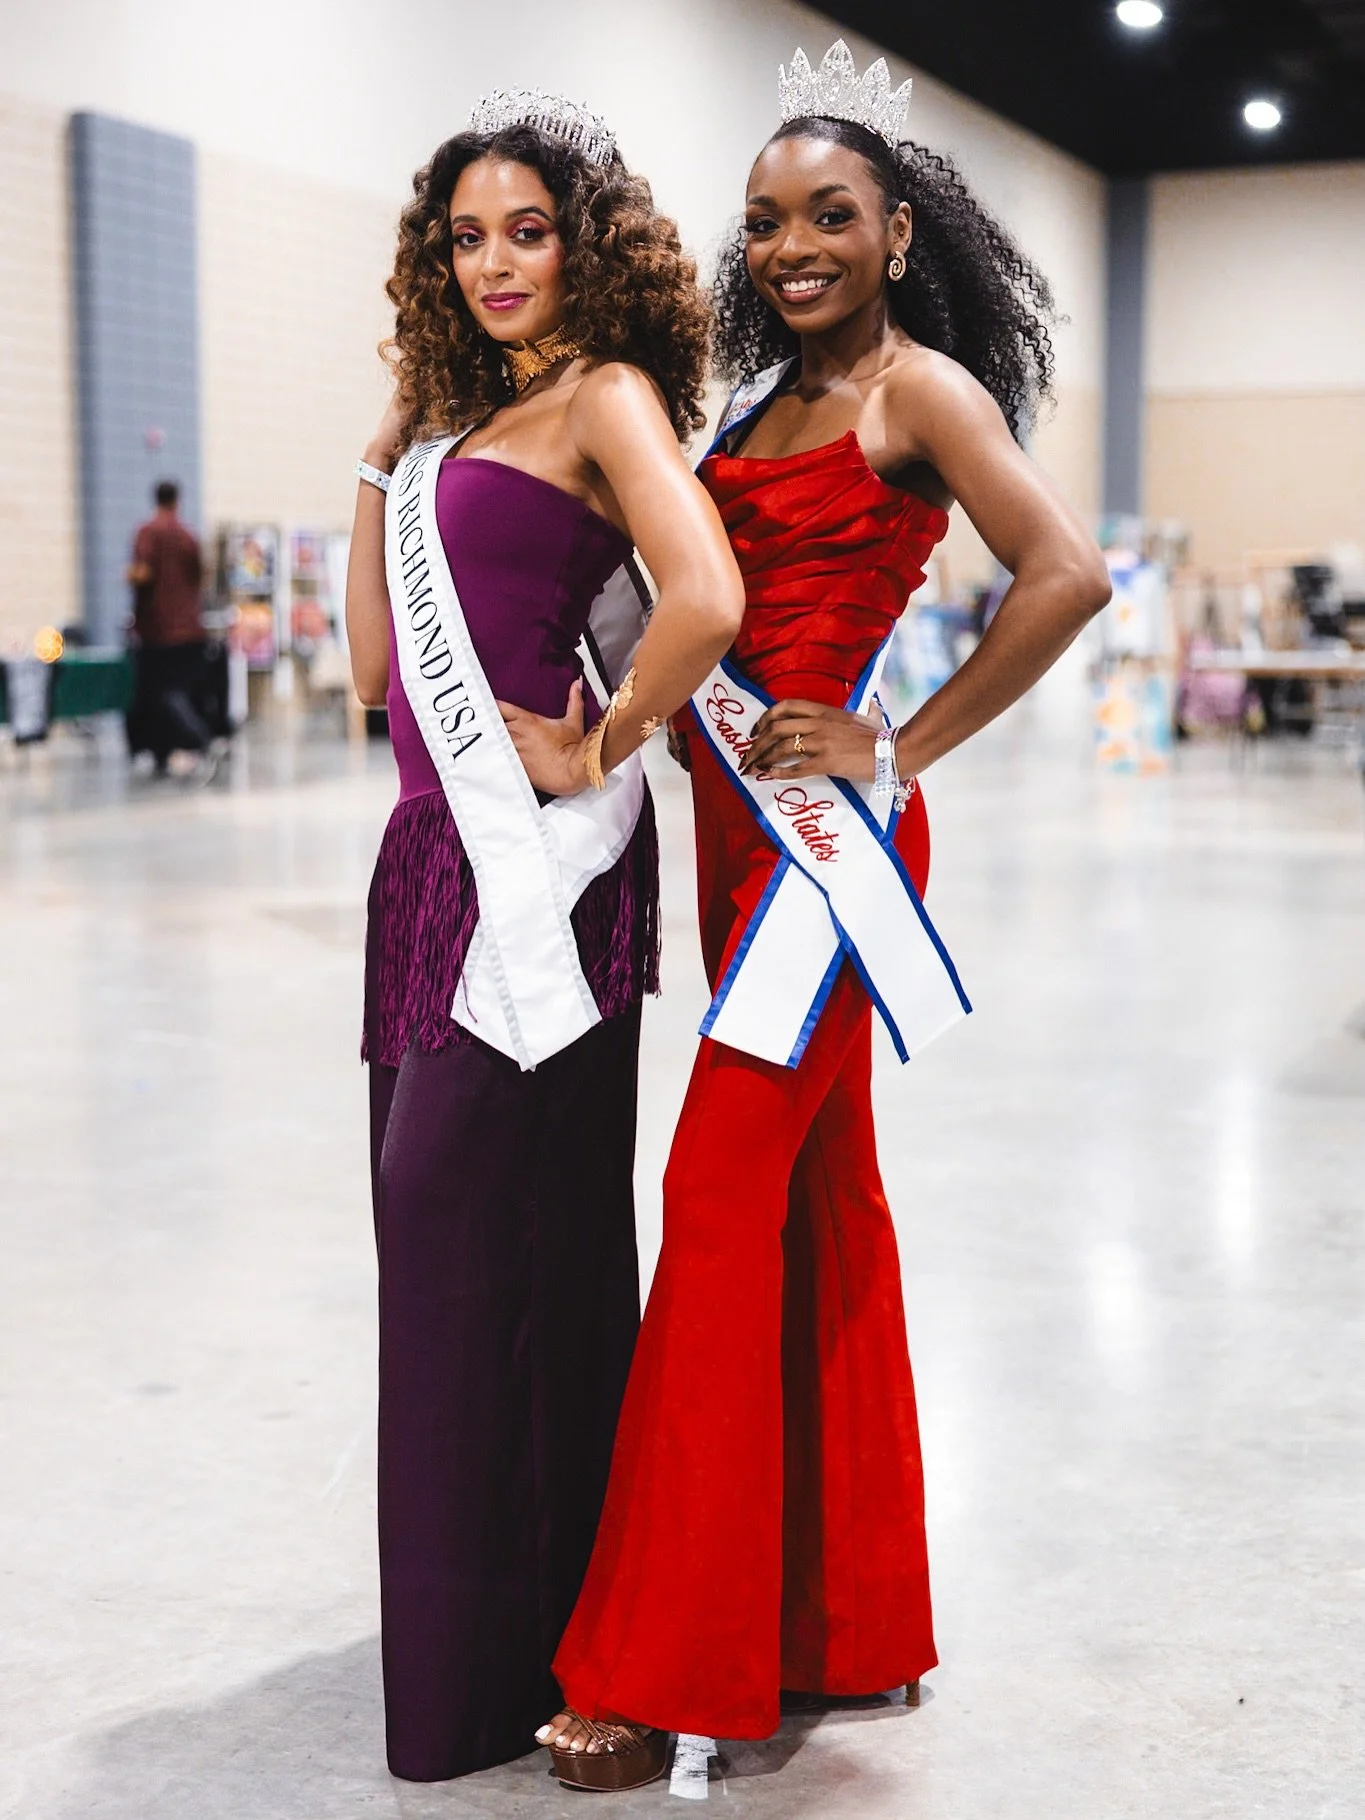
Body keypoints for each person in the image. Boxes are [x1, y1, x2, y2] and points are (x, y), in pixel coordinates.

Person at [524, 42, 1113, 1792]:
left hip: (822, 864)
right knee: (822, 1205)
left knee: (712, 1207)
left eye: (831, 215)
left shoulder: (916, 394)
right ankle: (847, 1621)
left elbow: (1067, 572)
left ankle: (657, 1669)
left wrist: (897, 744)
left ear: (899, 231)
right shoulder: (746, 408)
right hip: (728, 844)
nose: (793, 246)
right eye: (769, 219)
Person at [345, 89, 743, 1784]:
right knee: (439, 1256)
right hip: (430, 864)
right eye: (465, 238)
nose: (495, 261)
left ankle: (562, 1640)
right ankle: (492, 1628)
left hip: (545, 879)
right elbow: (377, 673)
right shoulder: (454, 431)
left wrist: (596, 740)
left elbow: (703, 594)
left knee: (513, 1247)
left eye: (526, 228)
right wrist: (383, 445)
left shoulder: (607, 398)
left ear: (586, 241)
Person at [125, 480, 217, 775]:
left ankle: (198, 739)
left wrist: (129, 576)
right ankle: (167, 753)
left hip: (159, 631)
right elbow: (202, 575)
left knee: (159, 694)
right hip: (191, 631)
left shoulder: (147, 532)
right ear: (177, 501)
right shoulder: (188, 536)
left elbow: (143, 573)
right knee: (181, 691)